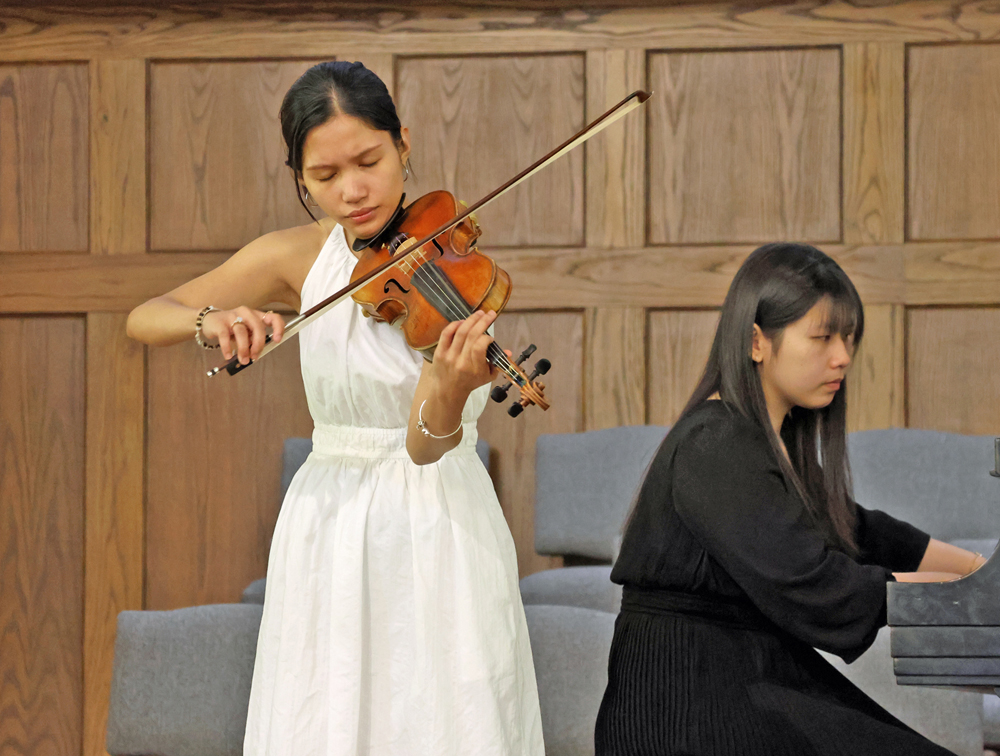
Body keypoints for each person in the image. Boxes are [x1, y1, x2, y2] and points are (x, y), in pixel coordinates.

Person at [127, 60, 544, 756]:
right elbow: (145, 317)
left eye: (369, 162)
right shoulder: (296, 257)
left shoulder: (453, 273)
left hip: (436, 518)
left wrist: (449, 386)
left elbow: (425, 447)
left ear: (403, 145)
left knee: (441, 719)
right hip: (328, 519)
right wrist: (212, 320)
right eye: (324, 176)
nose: (352, 191)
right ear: (300, 178)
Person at [594, 243, 986, 756]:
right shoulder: (716, 442)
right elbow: (813, 582)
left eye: (848, 338)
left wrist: (976, 570)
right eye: (822, 337)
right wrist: (958, 591)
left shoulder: (767, 441)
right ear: (756, 341)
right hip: (687, 702)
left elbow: (855, 530)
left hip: (743, 676)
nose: (842, 356)